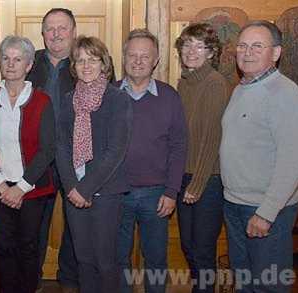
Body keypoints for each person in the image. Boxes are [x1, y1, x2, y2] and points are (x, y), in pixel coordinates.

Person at [220, 20, 298, 293]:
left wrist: (266, 213)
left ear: (276, 53)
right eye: (242, 45)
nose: (247, 52)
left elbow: (293, 162)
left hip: (265, 211)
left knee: (270, 286)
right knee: (244, 282)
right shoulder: (242, 88)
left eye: (258, 46)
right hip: (235, 204)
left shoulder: (285, 93)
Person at [0, 35, 55, 293]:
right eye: (6, 58)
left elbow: (47, 149)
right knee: (4, 247)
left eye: (18, 59)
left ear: (29, 65)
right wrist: (2, 187)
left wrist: (20, 187)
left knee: (29, 247)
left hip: (32, 189)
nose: (11, 64)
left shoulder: (43, 101)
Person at [56, 35, 132, 293]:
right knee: (83, 259)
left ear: (104, 64)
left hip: (106, 192)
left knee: (105, 261)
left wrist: (85, 189)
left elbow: (115, 151)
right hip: (74, 191)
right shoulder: (68, 100)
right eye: (80, 61)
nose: (86, 66)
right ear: (74, 67)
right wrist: (72, 188)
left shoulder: (117, 99)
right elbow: (61, 147)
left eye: (93, 60)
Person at [115, 29, 187, 293]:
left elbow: (179, 146)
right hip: (116, 193)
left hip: (156, 195)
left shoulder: (169, 97)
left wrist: (171, 192)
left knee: (156, 260)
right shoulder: (110, 94)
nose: (138, 61)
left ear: (155, 60)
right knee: (117, 258)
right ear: (123, 58)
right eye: (132, 55)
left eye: (145, 56)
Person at [174, 23, 230, 293]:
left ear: (211, 53)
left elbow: (212, 140)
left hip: (207, 180)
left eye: (199, 46)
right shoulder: (184, 83)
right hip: (185, 177)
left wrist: (196, 185)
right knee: (188, 246)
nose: (191, 51)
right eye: (187, 45)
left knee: (203, 252)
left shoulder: (215, 84)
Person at [25, 8, 79, 291]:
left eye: (63, 28)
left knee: (76, 226)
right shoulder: (28, 62)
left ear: (74, 31)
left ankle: (69, 281)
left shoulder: (87, 61)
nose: (56, 34)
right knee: (35, 226)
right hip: (38, 161)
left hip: (77, 159)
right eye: (50, 28)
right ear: (43, 33)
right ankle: (30, 281)